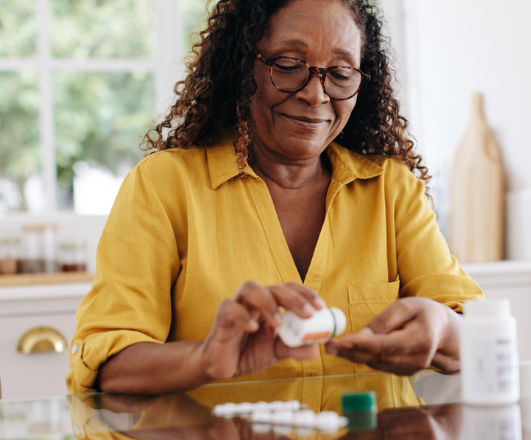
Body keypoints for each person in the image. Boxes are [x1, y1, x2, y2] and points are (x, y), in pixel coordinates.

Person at [66, 0, 483, 395]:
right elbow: (107, 364)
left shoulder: (391, 190)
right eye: (288, 65)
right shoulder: (164, 186)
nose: (316, 95)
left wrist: (443, 328)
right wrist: (206, 358)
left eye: (340, 73)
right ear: (243, 66)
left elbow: (479, 333)